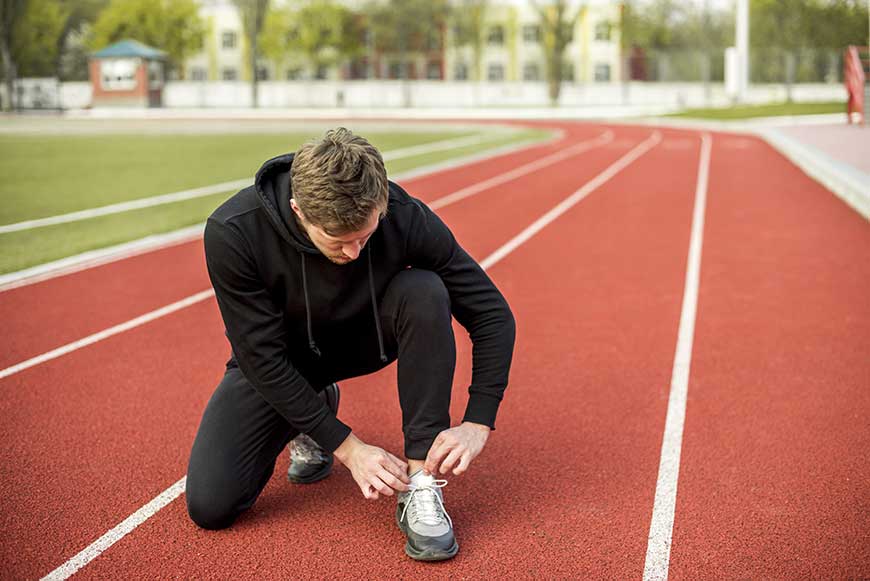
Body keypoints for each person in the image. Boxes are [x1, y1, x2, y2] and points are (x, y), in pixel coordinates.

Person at [185, 127, 516, 561]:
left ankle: (420, 483)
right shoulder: (234, 233)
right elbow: (261, 358)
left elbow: (491, 313)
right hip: (285, 360)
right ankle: (314, 408)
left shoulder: (403, 213)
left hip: (367, 337)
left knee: (425, 291)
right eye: (339, 241)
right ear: (298, 210)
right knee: (211, 506)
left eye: (366, 235)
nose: (356, 252)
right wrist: (348, 447)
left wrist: (478, 421)